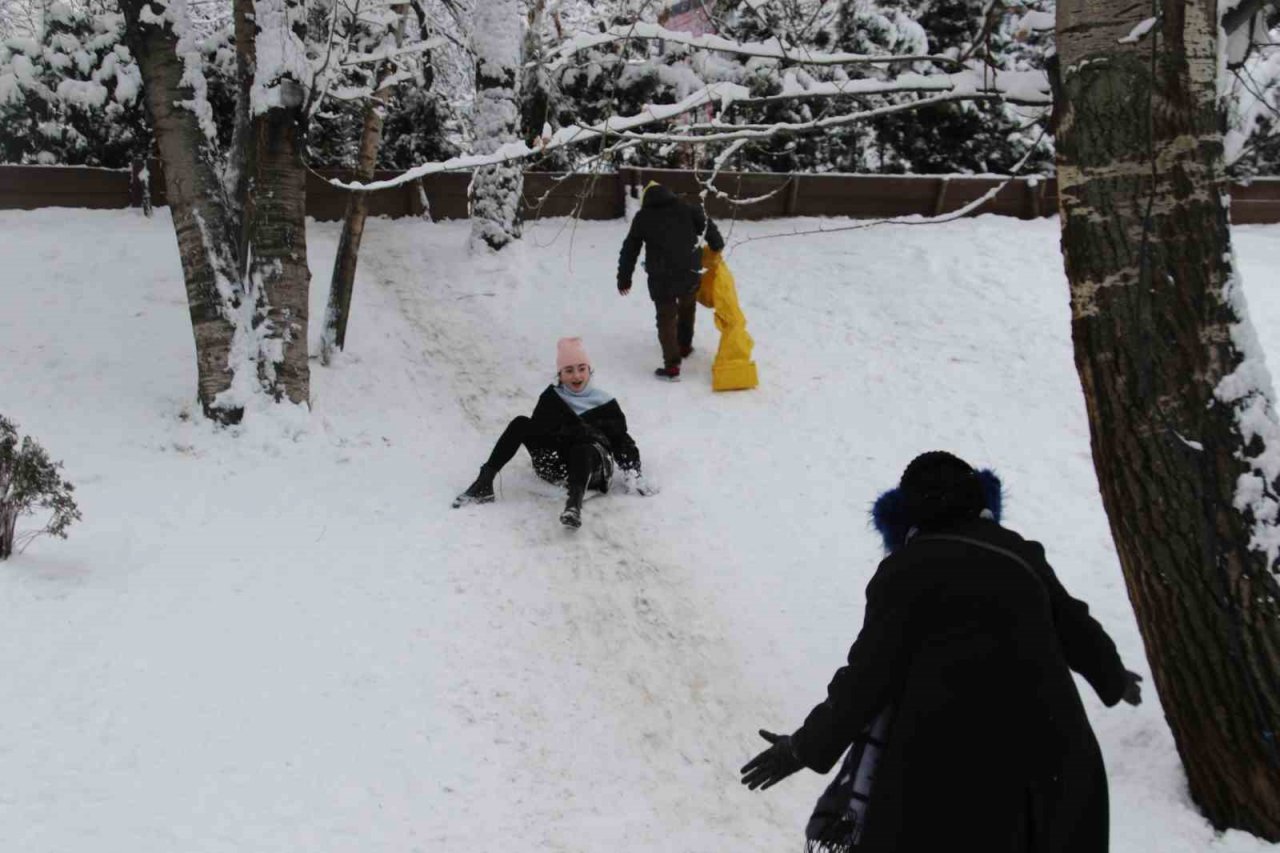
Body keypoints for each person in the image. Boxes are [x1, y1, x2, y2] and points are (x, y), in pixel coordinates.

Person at [740, 451, 1143, 853]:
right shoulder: (1018, 555)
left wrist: (803, 747)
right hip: (1052, 775)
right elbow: (1077, 627)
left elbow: (866, 679)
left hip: (951, 785)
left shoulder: (904, 571)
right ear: (980, 501)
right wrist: (1114, 677)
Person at [452, 337, 654, 528]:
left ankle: (574, 505)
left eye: (581, 369)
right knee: (522, 422)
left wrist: (633, 472)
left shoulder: (604, 402)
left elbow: (621, 441)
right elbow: (540, 432)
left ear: (589, 371)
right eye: (569, 370)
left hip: (592, 470)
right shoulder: (552, 398)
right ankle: (484, 483)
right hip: (555, 465)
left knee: (582, 445)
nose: (576, 376)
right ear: (560, 375)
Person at [617, 181, 725, 380]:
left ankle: (672, 366)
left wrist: (624, 278)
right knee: (687, 307)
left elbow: (630, 249)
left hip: (662, 278)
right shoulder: (687, 208)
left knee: (666, 318)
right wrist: (717, 244)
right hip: (690, 271)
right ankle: (684, 345)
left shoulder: (643, 217)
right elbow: (708, 225)